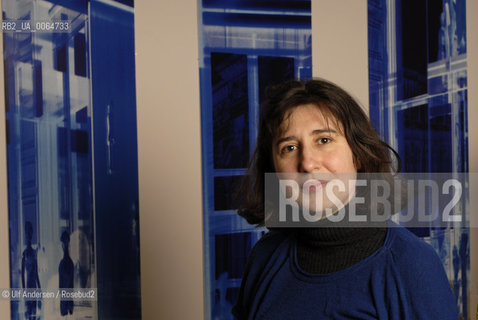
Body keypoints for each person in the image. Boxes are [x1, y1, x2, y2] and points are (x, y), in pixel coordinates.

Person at [232, 79, 459, 319]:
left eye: (324, 140)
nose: (307, 163)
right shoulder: (264, 256)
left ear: (358, 156)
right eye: (289, 147)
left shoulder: (411, 265)